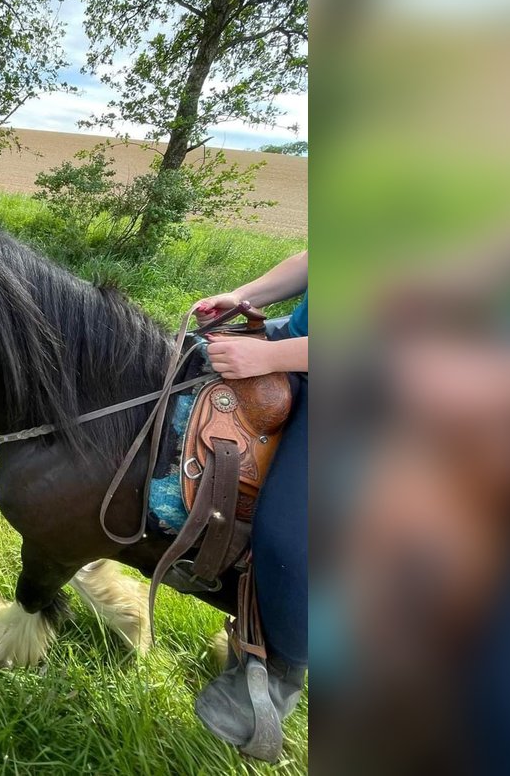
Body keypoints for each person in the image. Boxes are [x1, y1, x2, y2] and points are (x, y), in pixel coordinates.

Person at [190, 250, 308, 761]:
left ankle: (284, 667)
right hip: (299, 339)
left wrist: (268, 359)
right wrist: (245, 297)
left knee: (288, 533)